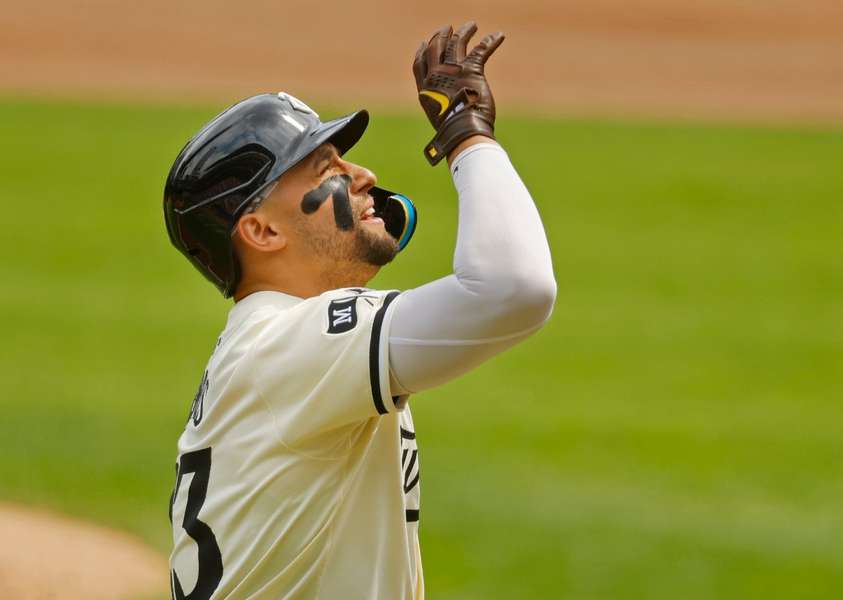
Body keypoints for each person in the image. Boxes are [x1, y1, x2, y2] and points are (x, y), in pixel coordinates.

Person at [162, 21, 555, 600]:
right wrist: (466, 137)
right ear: (262, 230)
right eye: (328, 171)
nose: (365, 175)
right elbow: (513, 287)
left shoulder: (274, 346)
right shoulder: (289, 343)